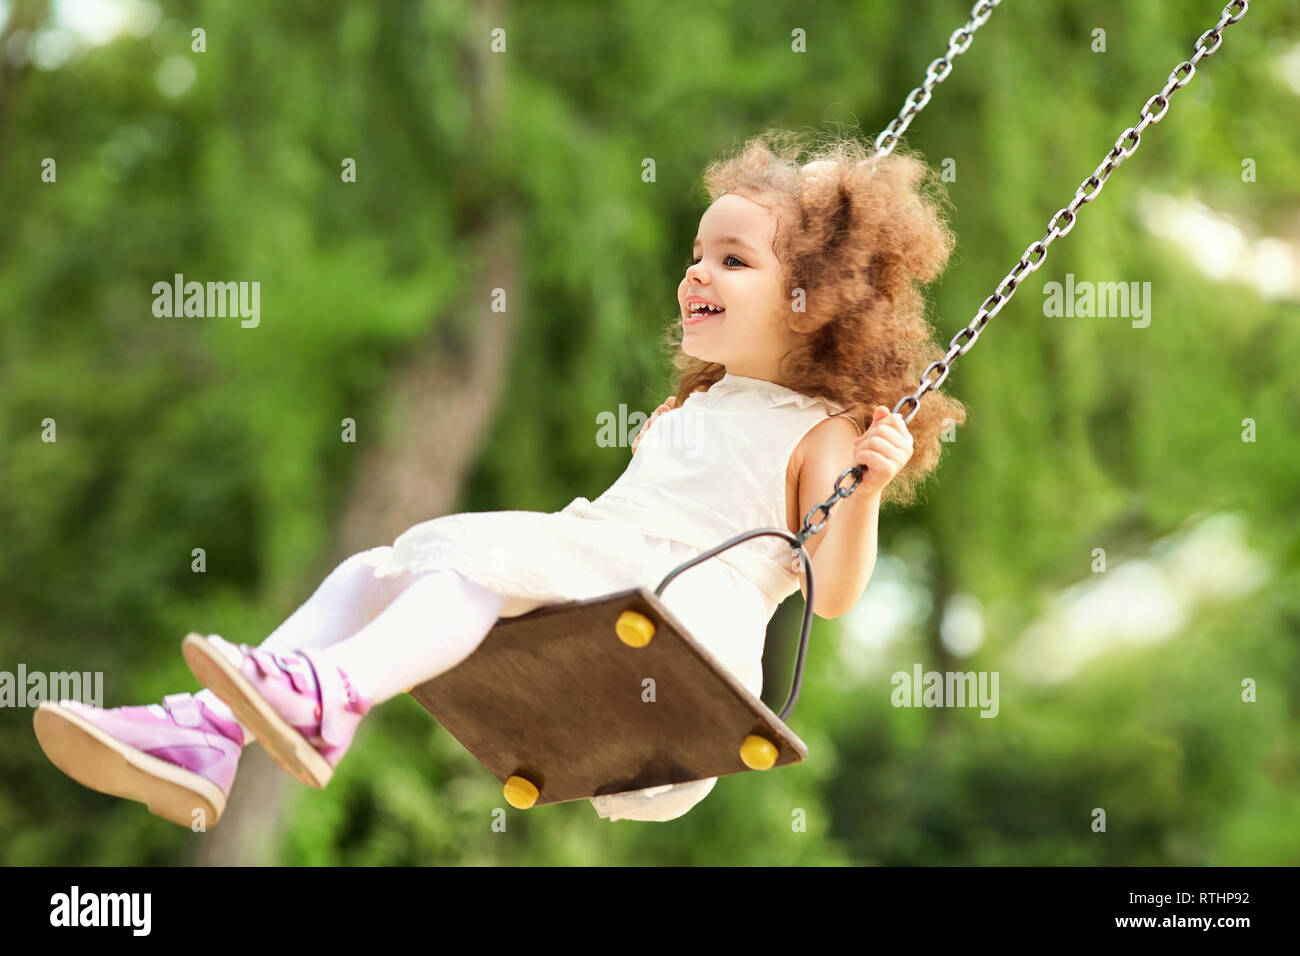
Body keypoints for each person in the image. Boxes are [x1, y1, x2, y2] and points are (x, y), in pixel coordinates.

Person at [34, 128, 965, 827]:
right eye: (695, 255)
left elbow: (832, 594)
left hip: (688, 639)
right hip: (616, 597)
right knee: (378, 569)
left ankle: (329, 700)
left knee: (472, 562)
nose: (695, 273)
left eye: (732, 260)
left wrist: (870, 488)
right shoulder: (692, 411)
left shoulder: (828, 433)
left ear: (815, 306)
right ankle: (207, 734)